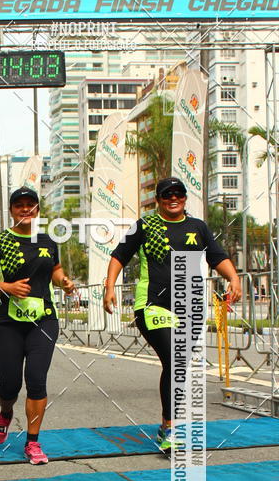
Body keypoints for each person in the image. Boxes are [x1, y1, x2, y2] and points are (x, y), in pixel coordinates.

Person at [103, 176, 241, 454]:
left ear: (185, 197)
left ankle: (167, 424)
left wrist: (234, 279)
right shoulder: (146, 226)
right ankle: (170, 428)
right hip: (152, 305)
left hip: (189, 307)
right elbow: (119, 255)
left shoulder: (197, 227)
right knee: (176, 361)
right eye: (167, 195)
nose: (173, 198)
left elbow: (217, 257)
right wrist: (109, 287)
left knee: (178, 366)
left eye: (178, 193)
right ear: (158, 199)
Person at [0, 187, 74, 464]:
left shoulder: (48, 241)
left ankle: (32, 442)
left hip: (43, 320)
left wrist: (64, 282)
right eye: (19, 205)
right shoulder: (0, 241)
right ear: (11, 210)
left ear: (38, 210)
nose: (25, 210)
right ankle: (6, 411)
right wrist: (7, 287)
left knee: (36, 379)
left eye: (30, 205)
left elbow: (55, 271)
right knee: (9, 384)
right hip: (8, 322)